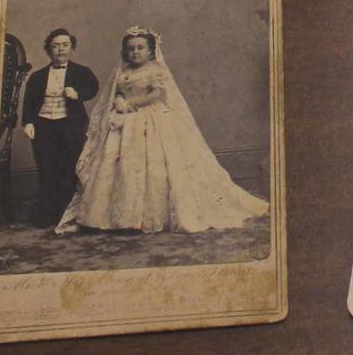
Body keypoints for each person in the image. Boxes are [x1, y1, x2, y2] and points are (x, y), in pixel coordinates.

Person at [58, 28, 268, 235]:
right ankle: (118, 217)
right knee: (118, 164)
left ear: (151, 51)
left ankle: (145, 216)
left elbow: (157, 93)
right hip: (124, 122)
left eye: (141, 48)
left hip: (151, 117)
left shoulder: (155, 70)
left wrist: (131, 103)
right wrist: (120, 99)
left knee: (154, 163)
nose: (135, 52)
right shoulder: (123, 71)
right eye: (131, 49)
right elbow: (117, 91)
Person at [20, 28, 99, 228]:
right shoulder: (37, 76)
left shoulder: (82, 72)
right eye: (55, 46)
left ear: (72, 47)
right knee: (47, 167)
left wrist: (78, 93)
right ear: (49, 50)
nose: (60, 49)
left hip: (70, 124)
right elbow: (29, 101)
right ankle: (48, 212)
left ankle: (69, 213)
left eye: (65, 45)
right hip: (44, 125)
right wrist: (28, 122)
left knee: (69, 167)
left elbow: (93, 88)